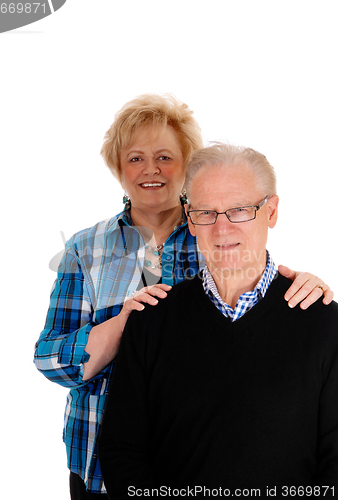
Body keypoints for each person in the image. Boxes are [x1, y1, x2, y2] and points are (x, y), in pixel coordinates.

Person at [34, 95, 333, 499]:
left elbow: (255, 299)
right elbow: (51, 361)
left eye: (164, 157)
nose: (150, 169)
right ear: (117, 167)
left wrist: (308, 289)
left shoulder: (211, 232)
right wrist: (127, 323)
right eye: (135, 158)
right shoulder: (86, 249)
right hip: (100, 459)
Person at [99, 143, 338, 498]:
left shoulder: (324, 323)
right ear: (190, 219)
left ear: (271, 212)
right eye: (206, 212)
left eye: (239, 210)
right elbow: (122, 451)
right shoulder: (151, 321)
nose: (222, 229)